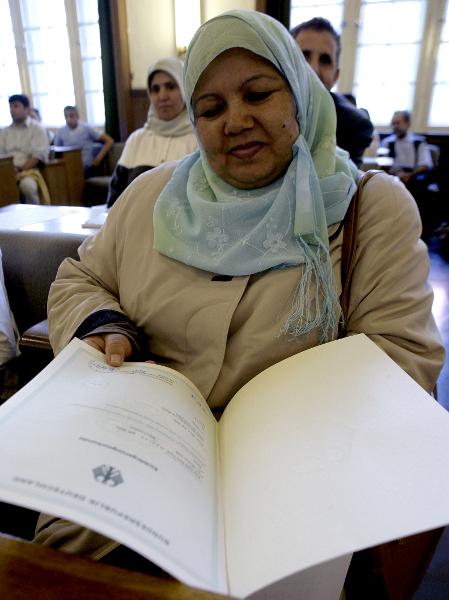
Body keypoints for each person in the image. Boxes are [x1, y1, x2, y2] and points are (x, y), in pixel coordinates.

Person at [34, 8, 443, 590]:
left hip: (292, 492)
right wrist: (104, 324)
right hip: (129, 478)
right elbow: (79, 278)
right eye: (212, 108)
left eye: (259, 94)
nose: (237, 121)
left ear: (298, 96)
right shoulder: (152, 196)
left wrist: (274, 430)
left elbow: (405, 360)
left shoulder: (370, 208)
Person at [106, 57, 197, 207]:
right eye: (155, 89)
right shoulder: (137, 139)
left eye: (171, 86)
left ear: (185, 90)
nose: (162, 96)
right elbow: (114, 200)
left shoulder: (199, 139)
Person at [291, 17, 373, 167]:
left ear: (336, 76)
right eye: (303, 56)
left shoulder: (354, 126)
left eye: (325, 60)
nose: (313, 69)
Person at [0, 94, 49, 204]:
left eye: (16, 106)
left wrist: (18, 170)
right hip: (6, 172)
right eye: (10, 107)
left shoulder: (37, 129)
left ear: (27, 109)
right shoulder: (5, 132)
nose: (12, 110)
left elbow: (37, 156)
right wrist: (7, 170)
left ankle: (35, 217)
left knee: (28, 187)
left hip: (28, 172)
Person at [54, 106, 114, 175]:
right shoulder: (61, 131)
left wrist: (98, 159)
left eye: (71, 116)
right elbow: (56, 149)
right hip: (68, 166)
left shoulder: (86, 128)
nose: (68, 119)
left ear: (77, 116)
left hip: (86, 167)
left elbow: (109, 141)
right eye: (66, 116)